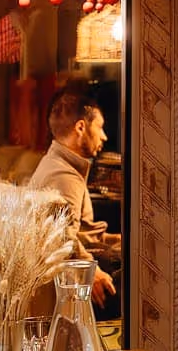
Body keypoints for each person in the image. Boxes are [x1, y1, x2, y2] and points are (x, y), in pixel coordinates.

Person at [29, 87, 116, 301]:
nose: (104, 136)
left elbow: (78, 232)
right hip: (63, 288)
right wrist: (92, 273)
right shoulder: (63, 176)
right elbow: (62, 238)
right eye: (100, 127)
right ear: (81, 127)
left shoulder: (59, 164)